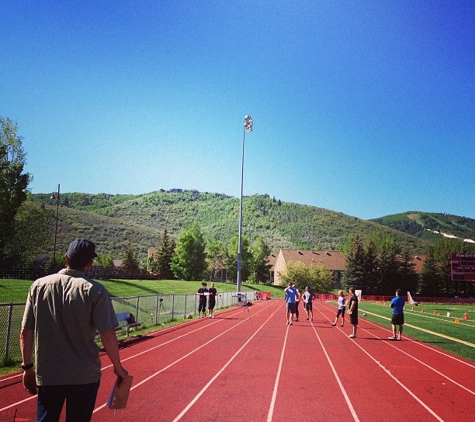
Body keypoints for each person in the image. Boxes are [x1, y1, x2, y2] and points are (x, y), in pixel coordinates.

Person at [20, 238, 128, 422]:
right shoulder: (96, 290)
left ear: (66, 257)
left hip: (49, 374)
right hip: (84, 375)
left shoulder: (38, 286)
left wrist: (28, 367)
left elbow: (25, 331)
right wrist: (118, 367)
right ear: (90, 263)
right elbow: (107, 334)